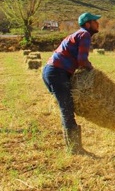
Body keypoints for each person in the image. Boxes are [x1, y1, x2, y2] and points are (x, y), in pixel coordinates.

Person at [42, 12, 101, 154]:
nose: (98, 24)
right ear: (88, 24)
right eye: (95, 21)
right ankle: (74, 148)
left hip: (51, 71)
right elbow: (82, 60)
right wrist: (91, 70)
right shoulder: (84, 35)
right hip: (57, 73)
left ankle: (74, 147)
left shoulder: (78, 34)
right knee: (66, 108)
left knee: (67, 107)